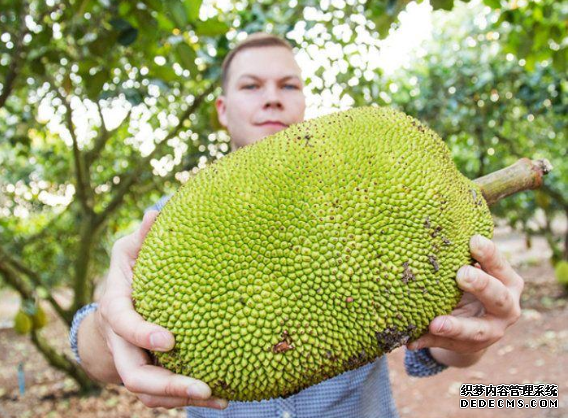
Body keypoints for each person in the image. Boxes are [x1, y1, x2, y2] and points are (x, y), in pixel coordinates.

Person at [69, 33, 524, 417]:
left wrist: (475, 326)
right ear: (223, 110)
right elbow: (97, 349)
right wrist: (110, 332)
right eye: (251, 86)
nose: (272, 96)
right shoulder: (168, 220)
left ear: (305, 103)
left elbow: (438, 347)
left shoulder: (379, 194)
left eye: (288, 84)